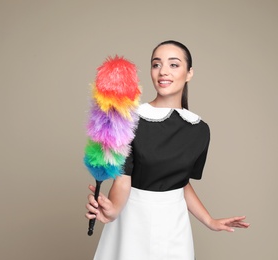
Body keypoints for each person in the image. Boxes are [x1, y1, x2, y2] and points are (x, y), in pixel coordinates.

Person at [86, 40, 250, 259]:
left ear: (189, 73)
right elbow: (123, 179)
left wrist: (209, 221)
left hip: (175, 223)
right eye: (156, 64)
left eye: (174, 65)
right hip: (133, 220)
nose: (163, 71)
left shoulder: (200, 130)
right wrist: (112, 209)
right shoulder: (130, 119)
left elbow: (181, 183)